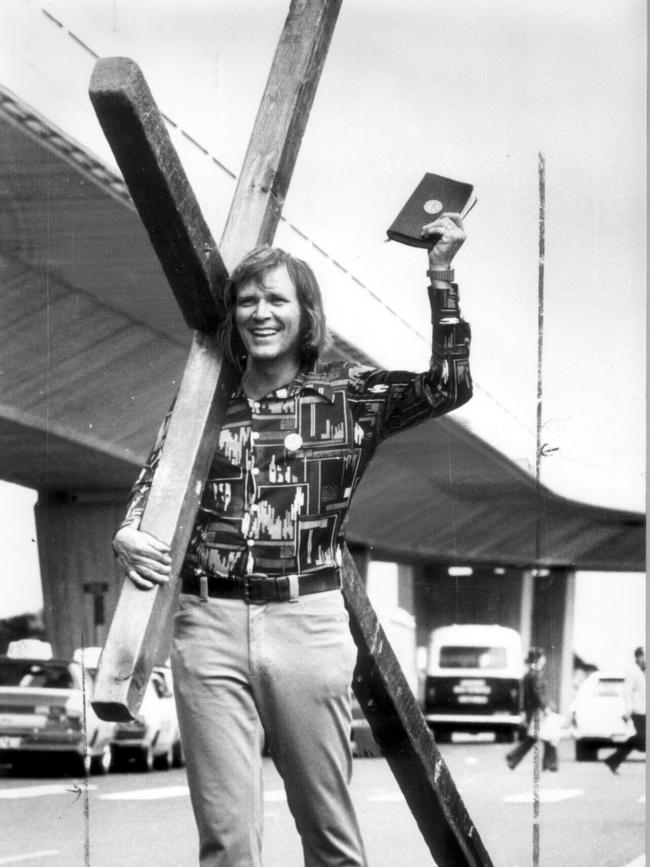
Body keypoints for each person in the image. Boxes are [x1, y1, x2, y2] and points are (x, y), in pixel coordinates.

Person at [112, 212, 472, 867]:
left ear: (306, 314)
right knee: (226, 839)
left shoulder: (351, 397)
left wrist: (441, 273)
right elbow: (153, 486)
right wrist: (129, 533)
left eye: (276, 298)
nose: (260, 311)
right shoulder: (203, 401)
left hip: (306, 620)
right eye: (247, 299)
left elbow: (449, 384)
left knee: (329, 837)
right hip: (208, 622)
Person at [506, 647, 559, 772]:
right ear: (538, 659)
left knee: (541, 736)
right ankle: (549, 763)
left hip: (535, 710)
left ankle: (548, 763)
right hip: (538, 710)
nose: (544, 659)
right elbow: (537, 694)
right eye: (542, 657)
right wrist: (545, 707)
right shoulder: (534, 674)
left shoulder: (531, 674)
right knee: (547, 735)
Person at [604, 646, 646, 774]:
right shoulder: (633, 671)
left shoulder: (644, 671)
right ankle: (613, 760)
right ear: (638, 657)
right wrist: (628, 711)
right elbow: (627, 693)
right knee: (641, 738)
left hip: (644, 710)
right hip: (637, 711)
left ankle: (613, 760)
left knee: (641, 740)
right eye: (645, 655)